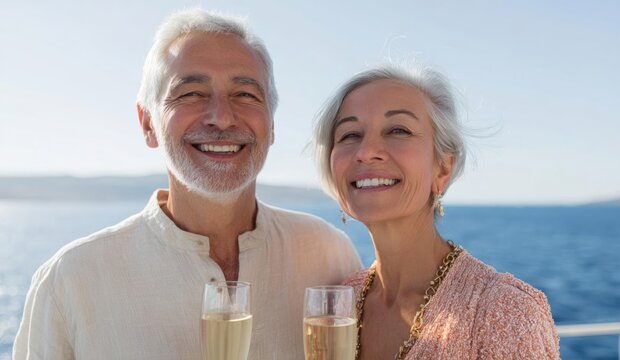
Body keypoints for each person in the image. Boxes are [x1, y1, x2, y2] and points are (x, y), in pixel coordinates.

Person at [13, 8, 361, 360]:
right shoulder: (72, 280)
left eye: (245, 95)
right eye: (191, 93)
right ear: (148, 123)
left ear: (271, 126)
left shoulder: (330, 254)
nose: (222, 117)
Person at [312, 64, 560, 359]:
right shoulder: (340, 302)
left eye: (398, 130)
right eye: (350, 134)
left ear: (443, 168)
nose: (366, 151)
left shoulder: (502, 312)